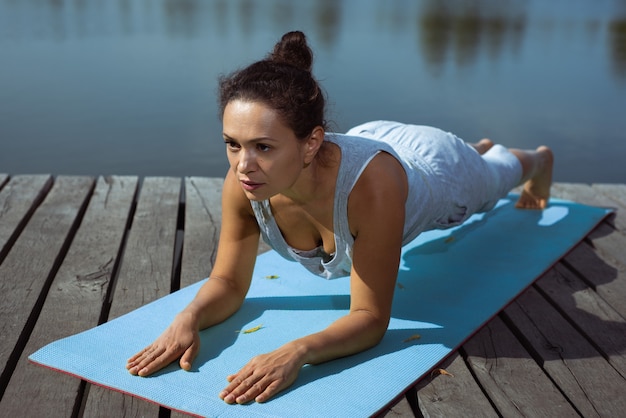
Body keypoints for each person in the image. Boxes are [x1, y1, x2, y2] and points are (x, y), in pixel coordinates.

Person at [126, 31, 553, 404]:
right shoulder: (246, 182)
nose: (243, 165)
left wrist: (297, 351)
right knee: (470, 162)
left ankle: (533, 159)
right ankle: (474, 149)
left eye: (264, 147)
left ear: (310, 143)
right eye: (232, 144)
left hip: (435, 174)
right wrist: (188, 318)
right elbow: (229, 282)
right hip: (372, 143)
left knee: (493, 179)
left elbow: (370, 318)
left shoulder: (373, 188)